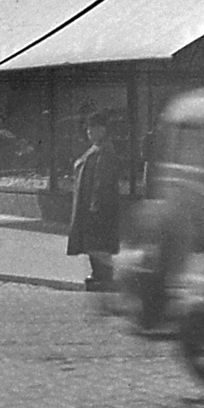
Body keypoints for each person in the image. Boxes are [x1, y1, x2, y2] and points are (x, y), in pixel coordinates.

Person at [66, 112, 124, 288]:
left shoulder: (104, 151)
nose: (89, 131)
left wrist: (96, 206)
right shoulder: (95, 150)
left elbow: (102, 180)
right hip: (88, 205)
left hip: (96, 207)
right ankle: (98, 274)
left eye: (94, 128)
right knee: (92, 243)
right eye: (89, 128)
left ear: (103, 130)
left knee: (97, 243)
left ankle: (103, 275)